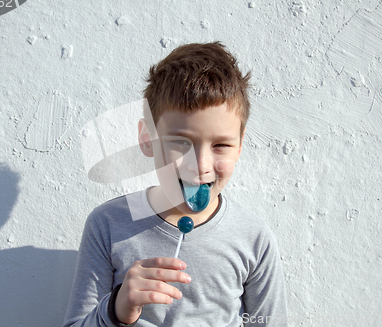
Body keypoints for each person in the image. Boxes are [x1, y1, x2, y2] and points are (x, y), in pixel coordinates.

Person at [63, 42, 288, 327]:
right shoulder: (107, 225)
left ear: (240, 145)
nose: (201, 165)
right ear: (147, 139)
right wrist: (117, 309)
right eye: (181, 143)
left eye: (221, 145)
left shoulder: (254, 238)